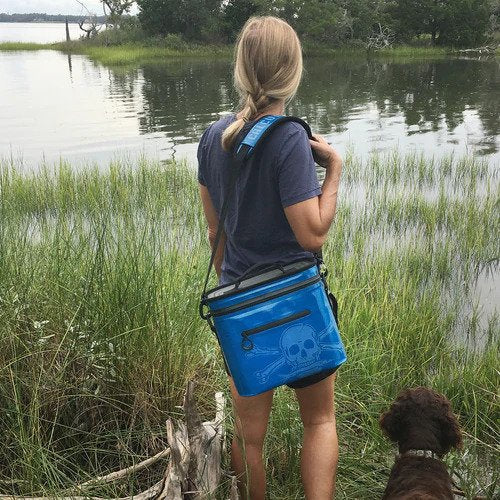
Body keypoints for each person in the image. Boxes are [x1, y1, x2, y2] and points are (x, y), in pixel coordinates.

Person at [197, 16, 343, 500]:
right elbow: (312, 234)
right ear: (294, 71)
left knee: (247, 434)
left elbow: (216, 233)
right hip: (298, 301)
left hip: (243, 313)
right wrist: (335, 170)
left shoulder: (212, 137)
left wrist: (241, 278)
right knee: (319, 419)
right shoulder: (289, 139)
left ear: (240, 69)